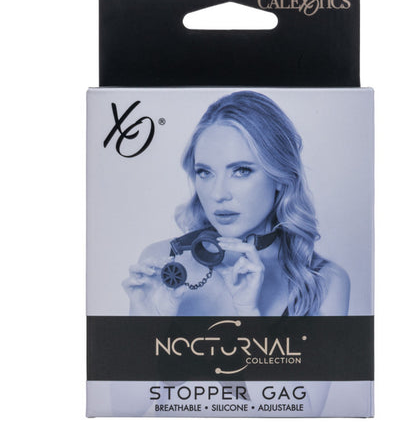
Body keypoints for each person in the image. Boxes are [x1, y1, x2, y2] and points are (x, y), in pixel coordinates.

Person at [122, 90, 349, 318]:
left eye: (241, 171)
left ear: (280, 177)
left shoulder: (325, 282)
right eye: (205, 172)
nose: (218, 194)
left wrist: (248, 313)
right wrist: (148, 323)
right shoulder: (159, 263)